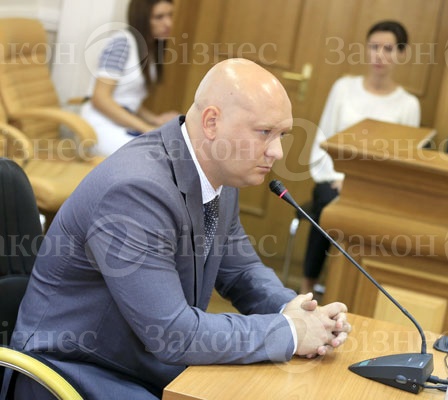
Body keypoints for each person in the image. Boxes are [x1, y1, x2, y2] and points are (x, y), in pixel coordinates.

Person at [2, 59, 351, 400]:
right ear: (212, 122)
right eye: (264, 132)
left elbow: (241, 272)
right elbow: (172, 333)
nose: (277, 151)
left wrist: (296, 309)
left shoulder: (219, 174)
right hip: (76, 374)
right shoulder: (135, 191)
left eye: (282, 135)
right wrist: (290, 331)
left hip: (147, 364)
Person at [302, 20, 421, 294]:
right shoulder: (343, 88)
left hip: (379, 191)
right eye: (374, 47)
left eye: (388, 49)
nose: (380, 55)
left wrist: (365, 184)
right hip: (333, 181)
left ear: (401, 53)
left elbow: (404, 162)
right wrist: (338, 178)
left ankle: (355, 292)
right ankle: (308, 287)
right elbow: (323, 140)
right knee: (329, 206)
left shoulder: (408, 105)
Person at [81, 0, 179, 156]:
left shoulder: (150, 50)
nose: (168, 23)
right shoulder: (121, 44)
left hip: (120, 123)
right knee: (154, 156)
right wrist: (146, 127)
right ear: (142, 18)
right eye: (159, 17)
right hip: (100, 124)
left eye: (170, 15)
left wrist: (155, 119)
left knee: (169, 150)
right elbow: (100, 98)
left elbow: (127, 99)